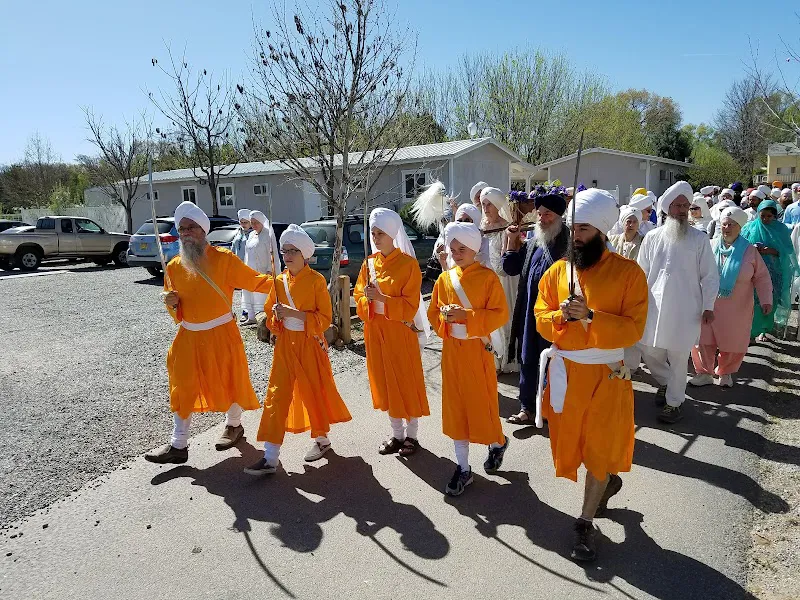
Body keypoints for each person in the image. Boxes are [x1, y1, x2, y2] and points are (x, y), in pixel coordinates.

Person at [534, 188, 649, 563]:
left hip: (607, 377)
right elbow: (540, 320)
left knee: (598, 449)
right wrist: (561, 318)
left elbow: (633, 329)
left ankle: (584, 523)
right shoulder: (556, 273)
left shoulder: (629, 273)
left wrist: (592, 317)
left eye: (583, 228)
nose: (576, 235)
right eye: (573, 228)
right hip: (567, 377)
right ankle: (606, 482)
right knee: (574, 446)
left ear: (601, 231)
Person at [145, 201, 274, 465]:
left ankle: (234, 425)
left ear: (203, 230)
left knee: (230, 378)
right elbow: (176, 311)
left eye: (191, 227)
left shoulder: (224, 260)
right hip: (188, 336)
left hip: (221, 332)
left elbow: (255, 281)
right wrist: (172, 304)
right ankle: (178, 445)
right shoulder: (173, 266)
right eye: (182, 228)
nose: (186, 232)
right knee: (182, 385)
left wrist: (285, 284)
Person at [245, 225, 352, 475]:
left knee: (313, 393)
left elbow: (325, 319)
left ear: (304, 254)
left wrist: (295, 314)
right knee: (276, 396)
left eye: (293, 250)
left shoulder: (316, 281)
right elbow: (271, 314)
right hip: (284, 346)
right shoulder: (278, 281)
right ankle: (270, 456)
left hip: (309, 345)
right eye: (285, 250)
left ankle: (322, 440)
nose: (288, 255)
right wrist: (274, 318)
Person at [427, 222, 510, 496]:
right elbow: (433, 314)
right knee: (455, 409)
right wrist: (445, 317)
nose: (457, 253)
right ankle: (463, 467)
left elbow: (499, 314)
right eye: (453, 249)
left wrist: (467, 316)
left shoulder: (488, 278)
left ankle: (497, 442)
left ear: (474, 249)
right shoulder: (443, 279)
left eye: (462, 249)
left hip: (477, 351)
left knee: (482, 404)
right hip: (452, 352)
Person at [636, 181, 719, 424]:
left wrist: (708, 306)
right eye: (677, 205)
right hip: (654, 307)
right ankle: (667, 382)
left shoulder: (699, 239)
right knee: (648, 350)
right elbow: (641, 273)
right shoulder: (651, 237)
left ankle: (674, 403)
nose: (683, 209)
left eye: (686, 205)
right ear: (666, 208)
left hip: (687, 309)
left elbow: (710, 276)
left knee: (680, 357)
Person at [354, 208, 431, 456]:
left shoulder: (408, 265)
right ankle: (396, 435)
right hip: (376, 331)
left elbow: (410, 307)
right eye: (373, 233)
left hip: (399, 332)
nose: (375, 238)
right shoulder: (368, 264)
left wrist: (382, 298)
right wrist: (366, 300)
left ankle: (412, 436)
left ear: (392, 234)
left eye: (380, 233)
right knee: (385, 382)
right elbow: (358, 296)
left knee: (405, 381)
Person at [502, 191, 569, 425]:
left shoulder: (569, 244)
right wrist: (512, 242)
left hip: (557, 317)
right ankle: (526, 408)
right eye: (539, 214)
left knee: (554, 363)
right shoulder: (534, 242)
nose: (541, 219)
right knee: (528, 359)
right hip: (531, 313)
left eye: (547, 214)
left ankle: (552, 409)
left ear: (559, 216)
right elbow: (510, 268)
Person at [690, 207, 773, 388]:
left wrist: (766, 300)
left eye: (731, 225)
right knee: (702, 339)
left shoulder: (749, 251)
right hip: (707, 303)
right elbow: (695, 270)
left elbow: (762, 277)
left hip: (737, 306)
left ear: (739, 227)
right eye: (724, 224)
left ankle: (725, 372)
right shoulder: (710, 245)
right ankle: (704, 372)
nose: (726, 228)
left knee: (733, 341)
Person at [741, 199, 800, 342]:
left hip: (774, 272)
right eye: (763, 216)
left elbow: (787, 251)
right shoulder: (750, 227)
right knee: (752, 300)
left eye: (769, 216)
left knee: (770, 301)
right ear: (758, 214)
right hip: (754, 271)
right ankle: (751, 330)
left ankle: (764, 329)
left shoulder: (781, 229)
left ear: (775, 216)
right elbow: (741, 246)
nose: (766, 219)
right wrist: (753, 249)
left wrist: (770, 251)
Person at [480, 186, 520, 373]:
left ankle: (506, 358)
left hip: (502, 280)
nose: (486, 208)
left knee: (503, 316)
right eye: (483, 204)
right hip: (483, 279)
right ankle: (491, 359)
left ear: (498, 206)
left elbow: (506, 258)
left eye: (490, 204)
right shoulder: (480, 229)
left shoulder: (507, 228)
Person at [241, 210, 280, 325]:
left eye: (256, 222)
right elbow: (247, 252)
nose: (253, 225)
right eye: (252, 222)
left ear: (261, 221)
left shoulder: (268, 235)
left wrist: (270, 269)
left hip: (263, 270)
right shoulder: (252, 235)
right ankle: (251, 317)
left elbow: (272, 254)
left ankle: (266, 319)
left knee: (263, 295)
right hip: (251, 270)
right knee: (250, 293)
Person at [231, 209, 253, 322]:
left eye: (245, 222)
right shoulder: (238, 233)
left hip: (249, 266)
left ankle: (252, 312)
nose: (243, 225)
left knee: (251, 290)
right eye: (241, 222)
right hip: (239, 266)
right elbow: (233, 249)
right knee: (243, 291)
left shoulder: (253, 234)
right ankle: (245, 311)